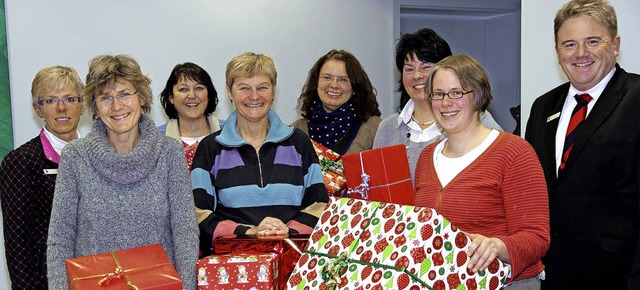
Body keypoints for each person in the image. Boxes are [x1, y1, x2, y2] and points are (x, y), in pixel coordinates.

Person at [46, 55, 198, 289]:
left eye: (125, 94)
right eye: (106, 97)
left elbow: (185, 233)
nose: (117, 107)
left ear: (141, 97)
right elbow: (60, 239)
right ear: (94, 105)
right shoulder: (75, 157)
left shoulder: (169, 153)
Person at [524, 0, 640, 288]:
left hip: (619, 276)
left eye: (592, 41)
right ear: (557, 52)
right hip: (551, 274)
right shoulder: (542, 107)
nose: (581, 54)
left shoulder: (637, 99)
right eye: (569, 44)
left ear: (615, 45)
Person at [414, 55, 549, 289]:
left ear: (477, 96)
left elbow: (537, 237)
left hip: (506, 283)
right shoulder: (426, 157)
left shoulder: (514, 152)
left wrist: (497, 246)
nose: (446, 103)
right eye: (438, 94)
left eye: (456, 93)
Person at [191, 52, 329, 256]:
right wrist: (251, 233)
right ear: (229, 92)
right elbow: (198, 215)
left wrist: (286, 233)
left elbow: (319, 205)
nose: (254, 96)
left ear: (274, 90)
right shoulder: (210, 148)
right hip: (233, 268)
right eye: (244, 88)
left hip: (292, 262)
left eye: (262, 87)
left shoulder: (299, 142)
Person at [373, 28, 502, 182]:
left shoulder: (476, 120)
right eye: (409, 69)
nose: (417, 76)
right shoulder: (387, 128)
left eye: (426, 67)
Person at [0, 66, 84, 289]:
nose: (61, 108)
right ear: (37, 109)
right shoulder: (20, 162)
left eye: (69, 98)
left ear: (83, 105)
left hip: (102, 276)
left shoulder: (100, 155)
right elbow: (17, 244)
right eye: (50, 101)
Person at [292, 49, 382, 155]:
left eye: (343, 79)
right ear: (316, 83)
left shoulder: (374, 128)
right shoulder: (296, 131)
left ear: (355, 87)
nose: (334, 85)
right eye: (327, 77)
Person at [158, 62, 222, 171]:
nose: (192, 95)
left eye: (199, 88)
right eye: (183, 89)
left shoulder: (231, 132)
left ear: (209, 95)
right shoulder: (157, 140)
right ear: (171, 97)